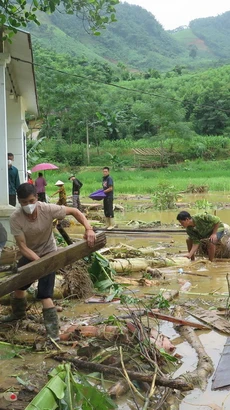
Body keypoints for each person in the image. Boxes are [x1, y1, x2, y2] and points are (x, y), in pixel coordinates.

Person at [0, 183, 95, 340]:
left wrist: (89, 228)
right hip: (31, 254)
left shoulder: (48, 209)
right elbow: (22, 246)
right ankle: (18, 315)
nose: (28, 205)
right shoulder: (16, 218)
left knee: (45, 295)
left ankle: (53, 334)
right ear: (19, 201)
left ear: (36, 198)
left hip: (50, 253)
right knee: (18, 285)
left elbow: (75, 211)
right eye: (24, 203)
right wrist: (38, 262)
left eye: (31, 201)